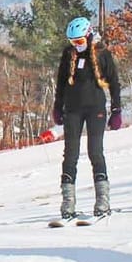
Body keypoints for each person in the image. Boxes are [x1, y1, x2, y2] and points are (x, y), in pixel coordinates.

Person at [52, 17, 122, 219]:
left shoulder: (102, 53)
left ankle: (102, 200)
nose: (76, 45)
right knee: (70, 155)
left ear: (89, 36)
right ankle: (68, 203)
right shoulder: (69, 54)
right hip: (72, 110)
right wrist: (58, 107)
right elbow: (61, 83)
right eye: (73, 42)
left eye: (80, 41)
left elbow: (114, 83)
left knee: (95, 152)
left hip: (95, 109)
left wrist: (116, 110)